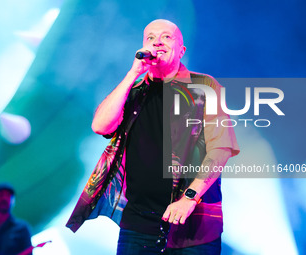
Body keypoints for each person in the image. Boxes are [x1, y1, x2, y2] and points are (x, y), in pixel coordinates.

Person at [66, 19, 240, 254]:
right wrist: (132, 74)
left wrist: (189, 198)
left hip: (192, 226)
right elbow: (100, 126)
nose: (157, 41)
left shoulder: (204, 86)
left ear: (181, 50)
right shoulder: (134, 91)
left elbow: (221, 149)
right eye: (150, 37)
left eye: (166, 37)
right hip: (138, 224)